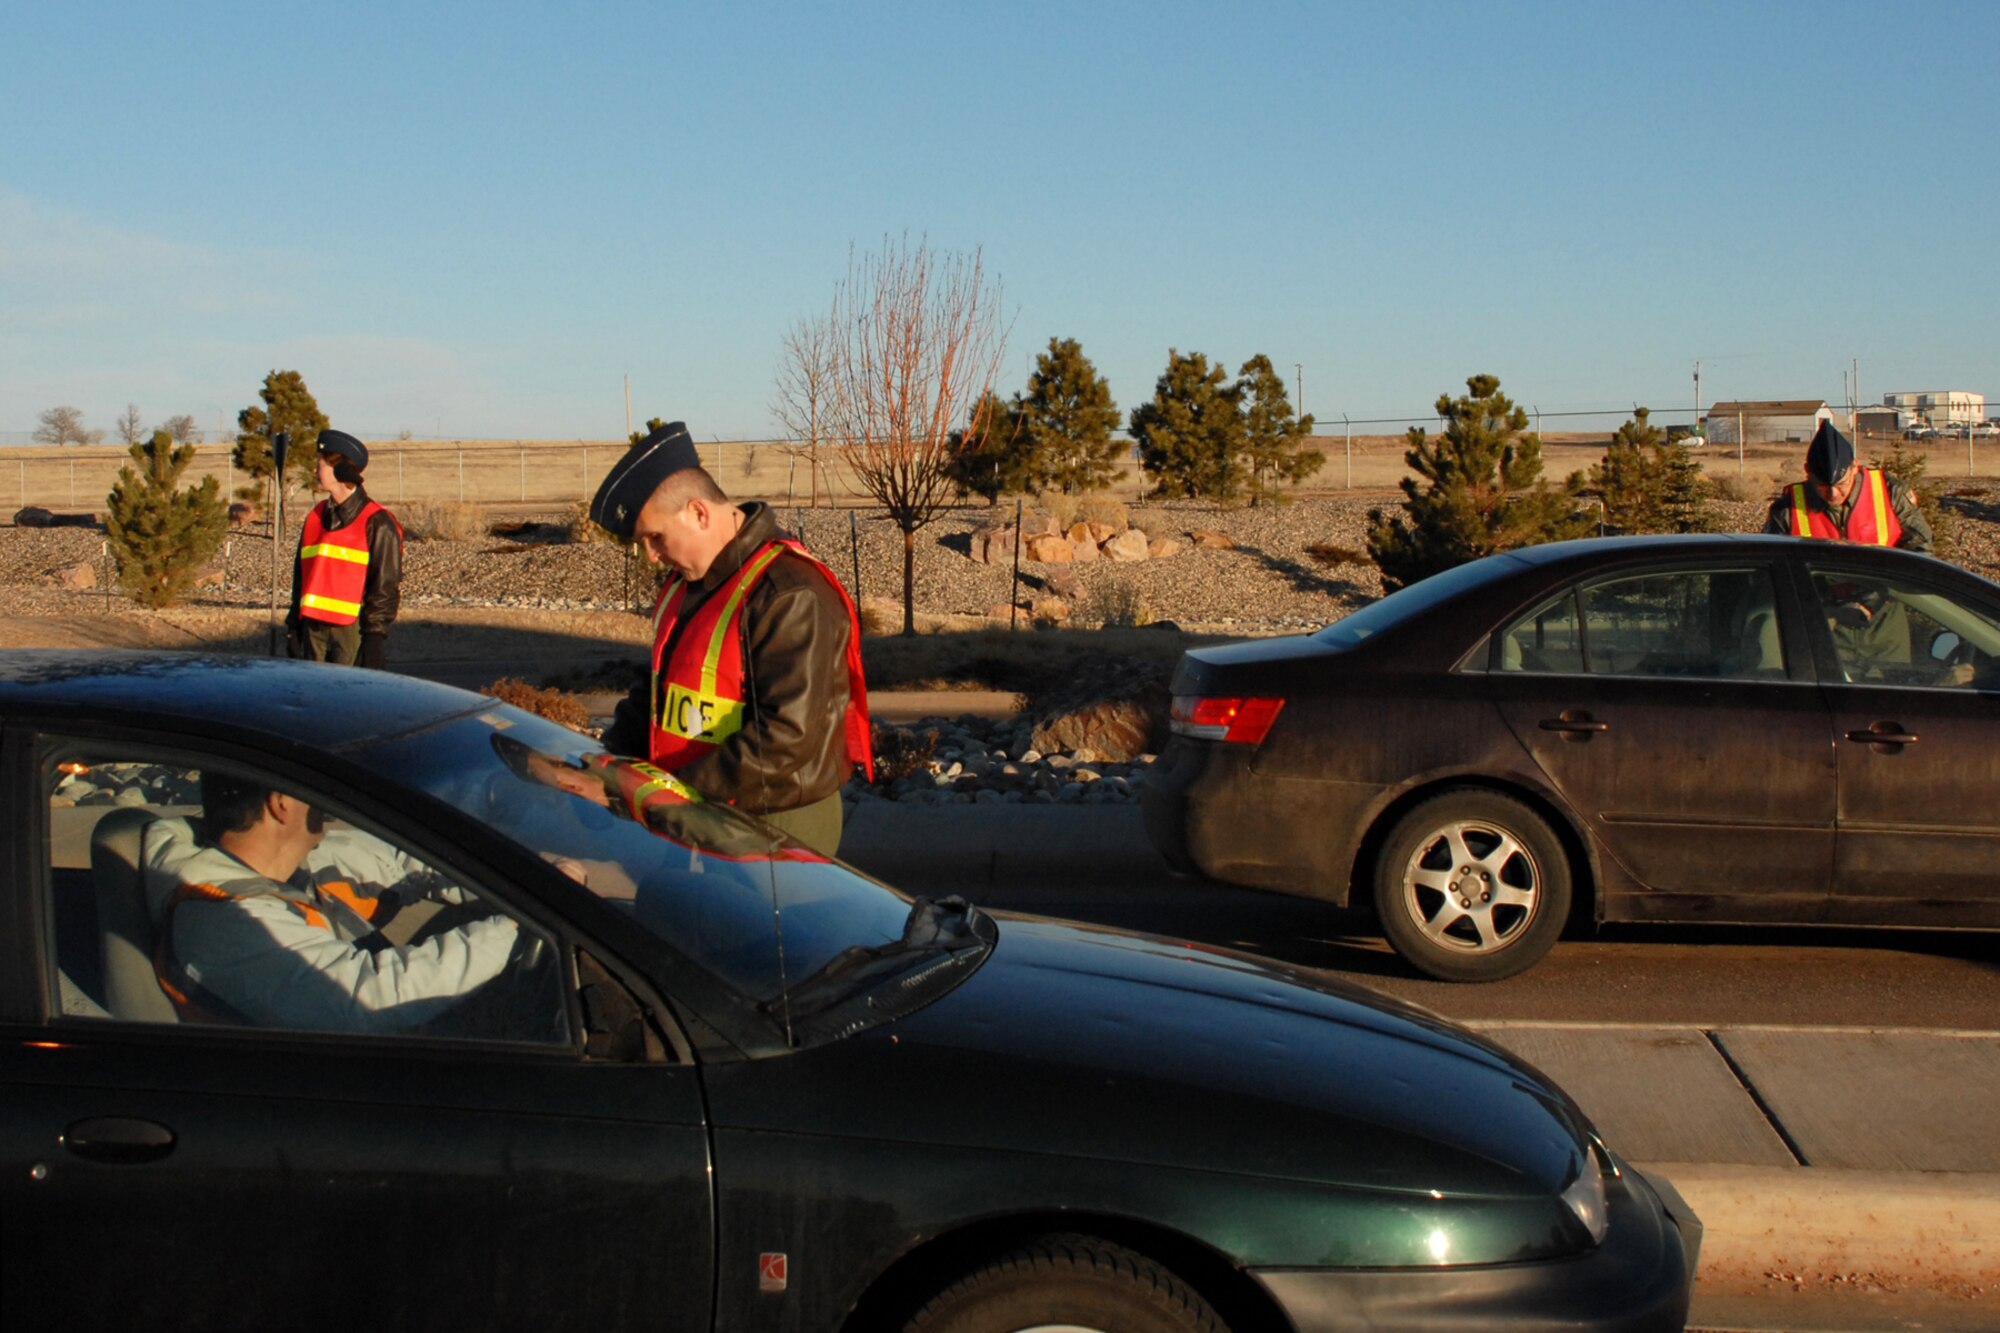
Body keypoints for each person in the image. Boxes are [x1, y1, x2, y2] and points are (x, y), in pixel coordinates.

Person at [589, 420, 872, 857]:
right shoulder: (688, 584)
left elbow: (785, 736)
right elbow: (660, 689)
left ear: (699, 513)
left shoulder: (788, 592)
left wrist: (673, 792)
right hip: (697, 808)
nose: (651, 556)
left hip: (775, 821)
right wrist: (611, 762)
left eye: (655, 538)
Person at [141, 772, 520, 1033]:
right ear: (282, 803)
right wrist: (515, 928)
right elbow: (366, 998)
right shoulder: (223, 922)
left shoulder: (294, 865)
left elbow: (409, 861)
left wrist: (526, 878)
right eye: (314, 787)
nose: (326, 798)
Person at [287, 428, 404, 668]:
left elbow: (384, 587)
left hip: (352, 633)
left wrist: (373, 639)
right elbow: (301, 576)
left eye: (319, 464)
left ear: (338, 468)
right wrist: (294, 626)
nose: (313, 471)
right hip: (312, 631)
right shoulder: (315, 517)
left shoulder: (378, 522)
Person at [1763, 419, 1932, 552]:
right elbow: (1771, 557)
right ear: (1807, 472)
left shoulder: (1890, 492)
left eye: (1841, 484)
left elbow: (1920, 547)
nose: (1833, 493)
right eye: (1822, 485)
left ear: (1855, 468)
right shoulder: (1787, 509)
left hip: (1882, 592)